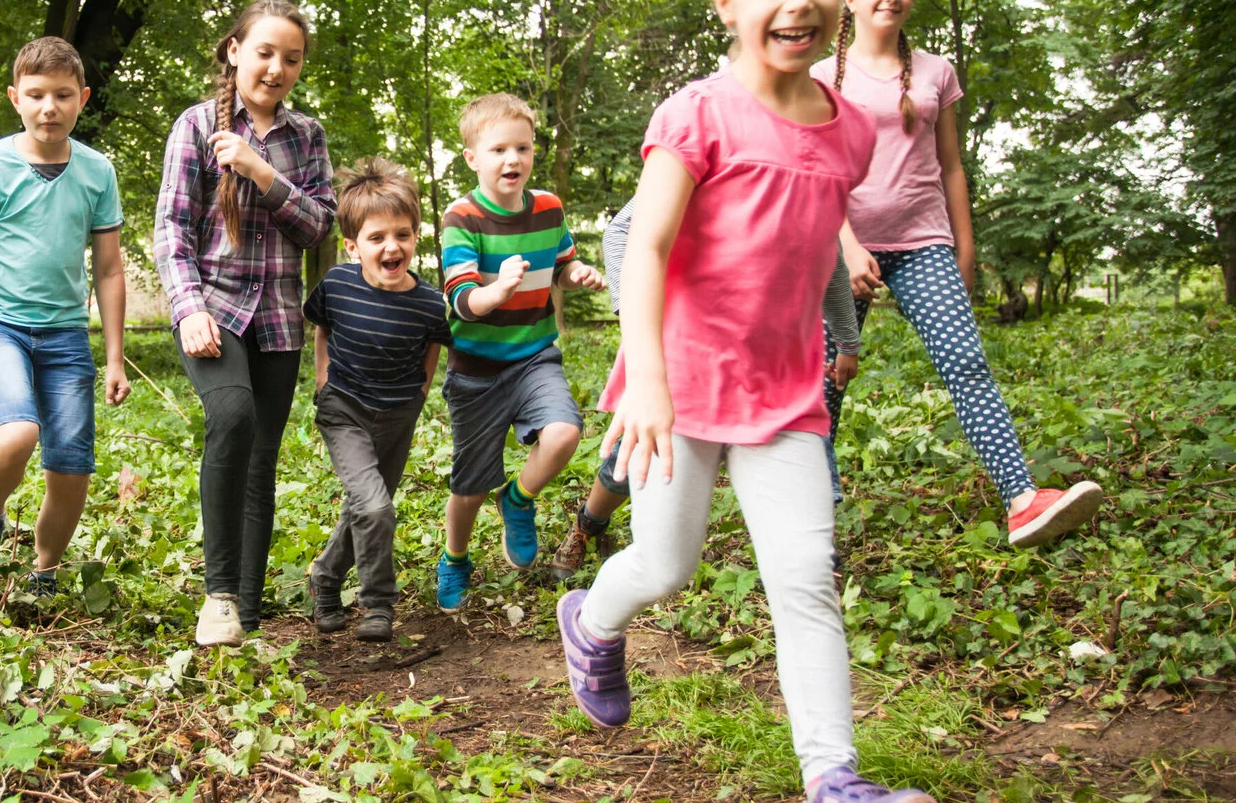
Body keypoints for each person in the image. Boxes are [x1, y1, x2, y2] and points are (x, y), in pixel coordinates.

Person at [558, 0, 935, 803]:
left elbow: (819, 251)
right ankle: (593, 622)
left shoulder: (848, 129)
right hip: (679, 387)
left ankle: (834, 777)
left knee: (805, 576)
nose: (796, 2)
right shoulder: (697, 115)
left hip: (784, 394)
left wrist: (840, 337)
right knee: (666, 565)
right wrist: (644, 379)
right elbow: (644, 245)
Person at [814, 0, 1101, 549]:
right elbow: (816, 170)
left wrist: (962, 252)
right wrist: (845, 243)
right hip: (841, 249)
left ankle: (1023, 500)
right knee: (823, 382)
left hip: (923, 243)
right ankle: (813, 527)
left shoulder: (937, 71)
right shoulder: (818, 76)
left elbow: (951, 166)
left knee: (967, 365)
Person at [153, 0, 337, 646]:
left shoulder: (307, 137)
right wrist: (189, 310)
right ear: (235, 51)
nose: (277, 67)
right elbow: (172, 230)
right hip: (214, 308)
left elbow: (319, 226)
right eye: (264, 52)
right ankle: (219, 596)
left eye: (291, 58)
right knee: (232, 417)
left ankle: (248, 623)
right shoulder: (196, 125)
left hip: (280, 318)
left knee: (262, 462)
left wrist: (261, 172)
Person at [548, 205, 861, 581]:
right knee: (633, 458)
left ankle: (810, 551)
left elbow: (831, 259)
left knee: (795, 446)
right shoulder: (704, 155)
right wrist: (632, 313)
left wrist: (847, 342)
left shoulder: (809, 174)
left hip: (771, 363)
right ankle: (588, 523)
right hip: (685, 350)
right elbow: (620, 232)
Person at [0, 37, 131, 595]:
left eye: (63, 95)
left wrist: (114, 358)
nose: (49, 107)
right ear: (16, 97)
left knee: (72, 467)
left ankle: (44, 570)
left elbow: (110, 270)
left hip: (65, 334)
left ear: (82, 99)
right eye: (36, 95)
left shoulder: (96, 172)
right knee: (17, 430)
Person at [434, 94, 606, 613]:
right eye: (498, 149)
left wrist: (579, 274)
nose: (513, 159)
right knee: (469, 486)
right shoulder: (461, 217)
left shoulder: (549, 207)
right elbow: (461, 298)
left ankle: (520, 498)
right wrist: (495, 292)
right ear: (472, 158)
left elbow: (562, 262)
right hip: (476, 371)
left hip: (534, 357)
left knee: (564, 433)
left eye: (523, 148)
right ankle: (455, 557)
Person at [304, 159, 451, 643]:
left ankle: (325, 578)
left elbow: (433, 342)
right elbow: (321, 327)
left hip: (398, 414)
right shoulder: (338, 286)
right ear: (353, 247)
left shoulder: (430, 303)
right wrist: (324, 380)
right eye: (377, 237)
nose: (393, 246)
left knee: (369, 507)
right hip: (344, 409)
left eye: (403, 235)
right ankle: (378, 603)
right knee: (375, 507)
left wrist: (423, 389)